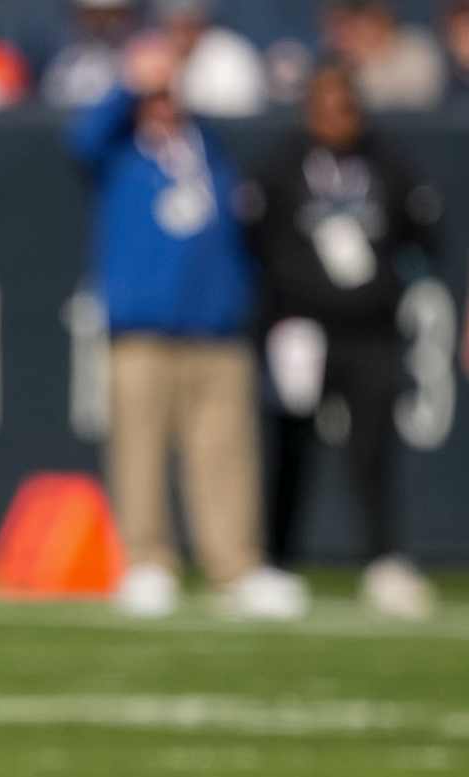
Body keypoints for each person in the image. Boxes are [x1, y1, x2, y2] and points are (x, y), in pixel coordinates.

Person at [70, 37, 307, 619]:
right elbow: (79, 139)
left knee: (226, 456)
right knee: (139, 452)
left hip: (216, 332)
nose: (163, 104)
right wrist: (132, 83)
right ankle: (147, 561)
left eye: (168, 93)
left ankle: (235, 564)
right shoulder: (121, 153)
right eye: (153, 96)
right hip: (143, 332)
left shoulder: (211, 151)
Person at [245, 62, 443, 617]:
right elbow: (256, 244)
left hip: (371, 331)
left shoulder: (387, 164)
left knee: (373, 448)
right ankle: (276, 561)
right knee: (291, 446)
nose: (335, 117)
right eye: (325, 105)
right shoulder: (283, 167)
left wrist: (395, 287)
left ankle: (384, 560)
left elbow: (427, 233)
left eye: (345, 105)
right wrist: (278, 318)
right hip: (303, 330)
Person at [324, 0, 446, 111]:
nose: (363, 29)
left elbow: (425, 99)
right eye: (357, 22)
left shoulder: (417, 45)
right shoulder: (344, 62)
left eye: (369, 20)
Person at [152, 0, 266, 117]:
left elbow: (239, 110)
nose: (178, 34)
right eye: (172, 25)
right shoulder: (161, 50)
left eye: (186, 24)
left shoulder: (230, 55)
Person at [42, 0, 139, 110]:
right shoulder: (66, 65)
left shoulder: (142, 61)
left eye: (111, 15)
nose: (103, 24)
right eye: (94, 15)